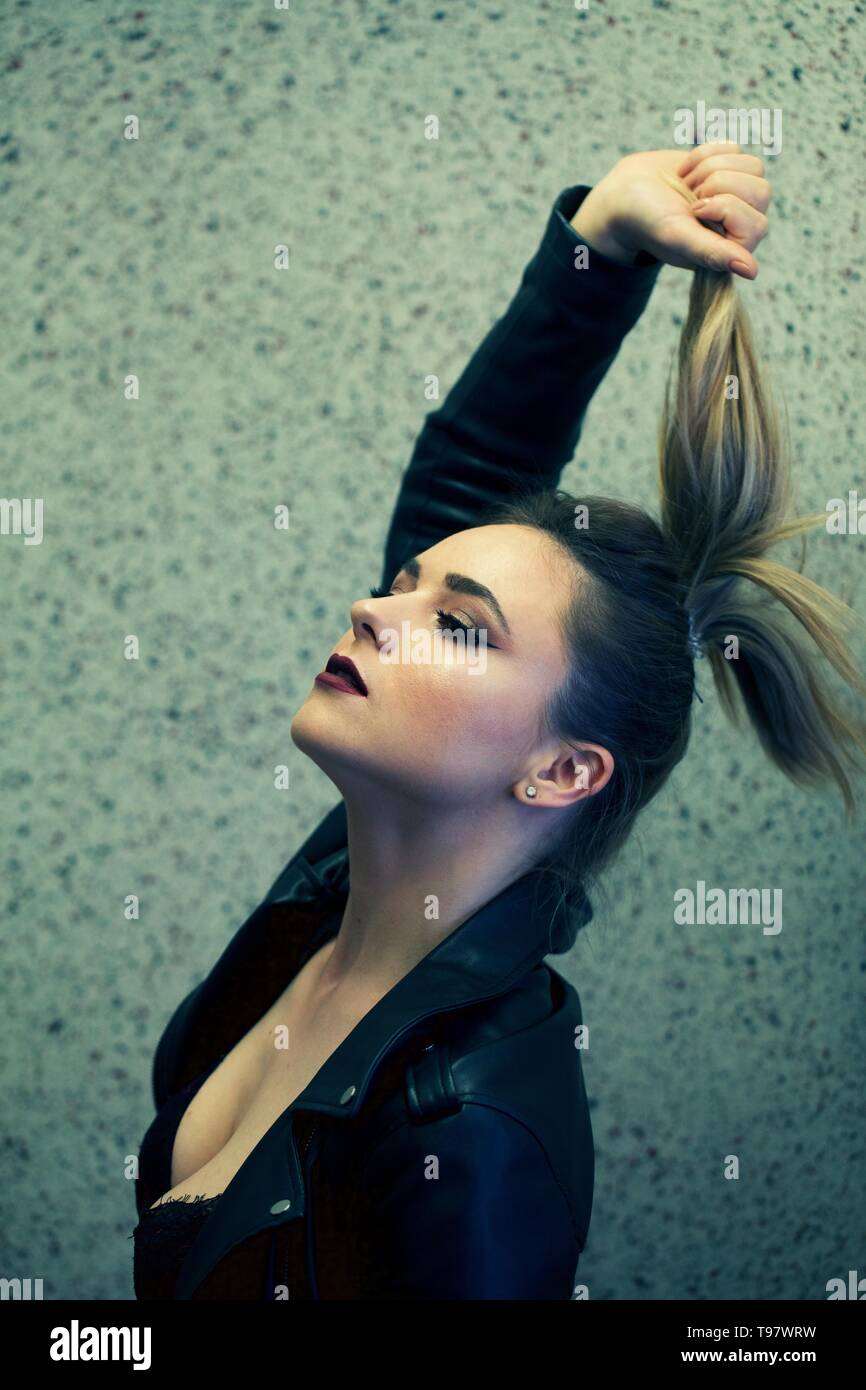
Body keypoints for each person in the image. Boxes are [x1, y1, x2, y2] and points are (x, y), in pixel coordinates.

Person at [131, 143, 864, 1300]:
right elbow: (471, 471)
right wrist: (599, 248)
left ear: (559, 768)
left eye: (457, 625)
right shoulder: (343, 878)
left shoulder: (471, 1139)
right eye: (403, 581)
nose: (376, 610)